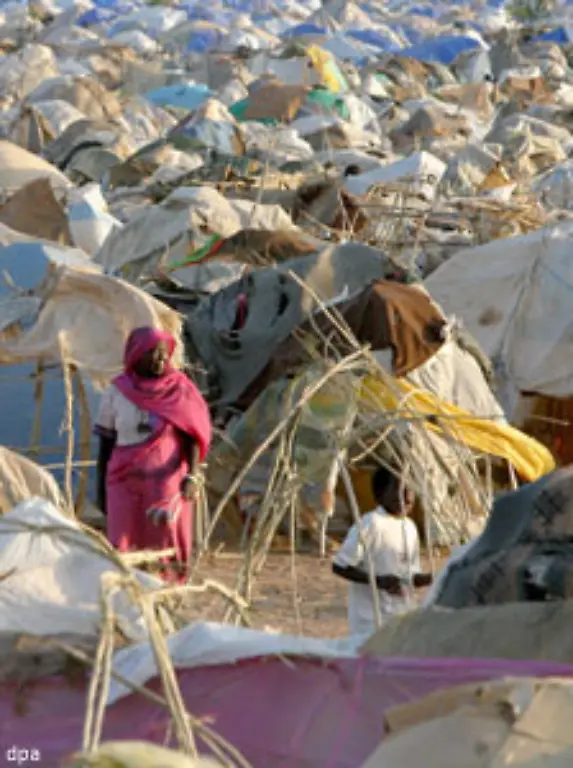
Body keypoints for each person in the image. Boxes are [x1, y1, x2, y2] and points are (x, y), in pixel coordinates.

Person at [94, 326, 212, 582]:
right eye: (153, 353)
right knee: (123, 542)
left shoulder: (179, 389)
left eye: (164, 353)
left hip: (166, 482)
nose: (161, 359)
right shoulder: (117, 391)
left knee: (165, 540)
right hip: (123, 482)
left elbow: (192, 436)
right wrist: (101, 488)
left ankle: (168, 591)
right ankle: (128, 593)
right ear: (137, 354)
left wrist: (192, 475)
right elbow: (105, 444)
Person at [332, 466, 432, 636]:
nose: (406, 496)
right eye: (398, 489)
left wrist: (431, 578)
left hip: (400, 615)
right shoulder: (371, 523)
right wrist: (378, 581)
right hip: (371, 620)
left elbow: (409, 575)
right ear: (380, 494)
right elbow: (340, 566)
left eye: (410, 489)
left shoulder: (409, 527)